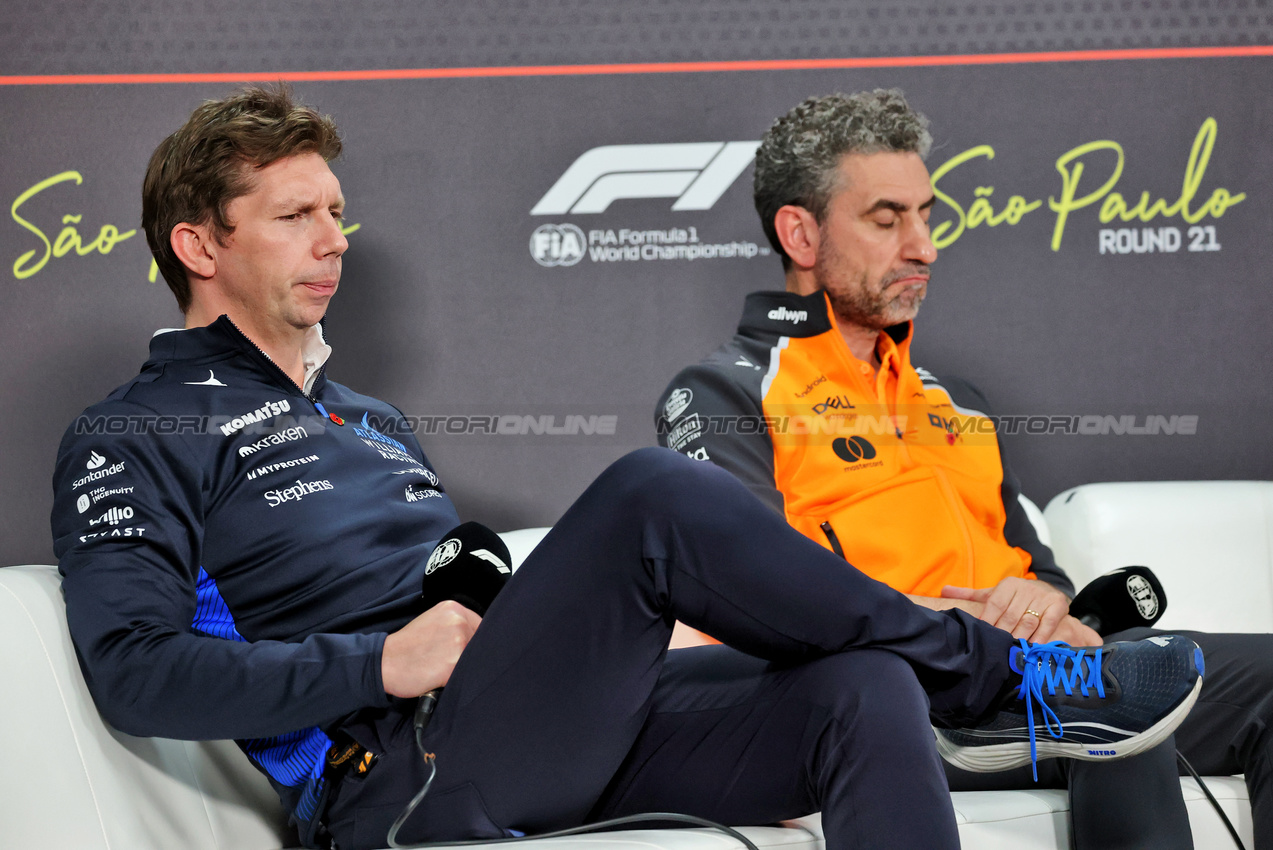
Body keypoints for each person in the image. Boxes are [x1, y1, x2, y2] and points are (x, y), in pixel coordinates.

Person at [51, 85, 1200, 850]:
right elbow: (137, 673)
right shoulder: (135, 431)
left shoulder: (368, 416)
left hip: (528, 720)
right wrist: (380, 658)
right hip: (400, 777)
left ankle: (963, 676)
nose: (334, 238)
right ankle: (999, 678)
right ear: (198, 246)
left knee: (860, 689)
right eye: (294, 216)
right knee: (652, 493)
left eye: (338, 211)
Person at [654, 89, 1273, 849]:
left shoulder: (960, 403)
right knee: (1114, 711)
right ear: (800, 234)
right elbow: (750, 597)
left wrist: (1038, 603)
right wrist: (961, 625)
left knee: (1161, 675)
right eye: (886, 220)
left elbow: (1041, 573)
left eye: (925, 216)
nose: (923, 246)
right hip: (900, 692)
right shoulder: (725, 391)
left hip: (1036, 677)